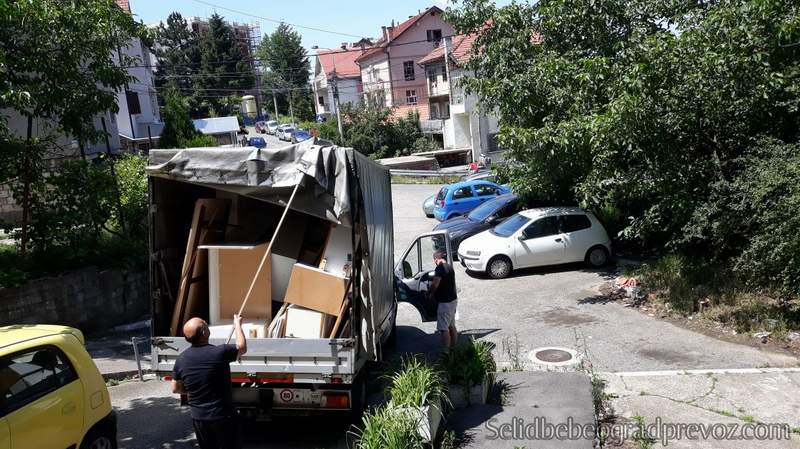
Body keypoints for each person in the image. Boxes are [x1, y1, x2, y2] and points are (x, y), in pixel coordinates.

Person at [172, 315, 247, 449]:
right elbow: (242, 347)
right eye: (205, 323)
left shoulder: (181, 359)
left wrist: (193, 389)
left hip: (199, 418)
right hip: (223, 415)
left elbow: (175, 388)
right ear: (204, 332)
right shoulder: (220, 352)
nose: (207, 324)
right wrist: (237, 325)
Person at [427, 249, 458, 349]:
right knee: (451, 326)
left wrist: (430, 293)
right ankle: (453, 348)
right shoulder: (450, 267)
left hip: (445, 303)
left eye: (434, 261)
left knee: (444, 329)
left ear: (436, 259)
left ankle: (446, 353)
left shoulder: (440, 268)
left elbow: (435, 284)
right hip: (453, 300)